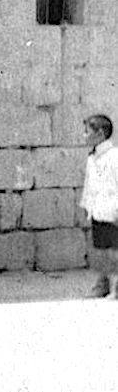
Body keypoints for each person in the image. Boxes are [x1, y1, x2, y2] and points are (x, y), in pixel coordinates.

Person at [80, 113, 118, 296]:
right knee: (101, 250)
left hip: (113, 211)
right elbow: (89, 184)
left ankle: (116, 287)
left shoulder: (114, 156)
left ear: (101, 133)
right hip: (98, 210)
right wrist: (87, 205)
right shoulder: (92, 158)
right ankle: (102, 285)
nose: (84, 136)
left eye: (88, 132)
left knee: (114, 250)